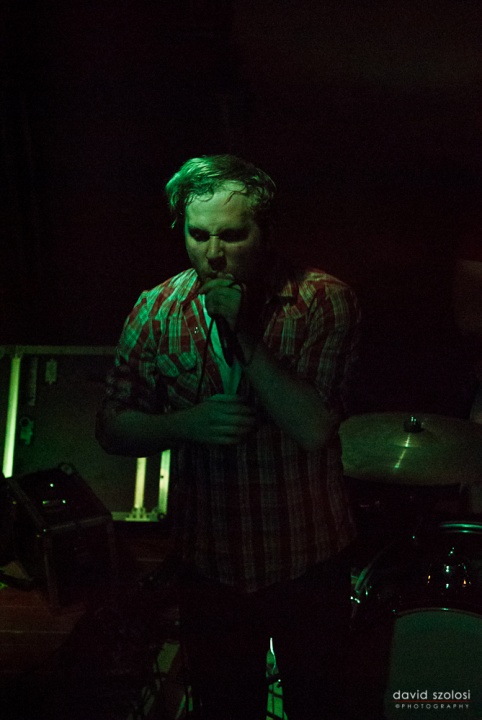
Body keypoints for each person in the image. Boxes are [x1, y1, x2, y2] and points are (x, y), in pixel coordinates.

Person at [96, 154, 361, 719]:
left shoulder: (322, 299)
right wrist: (181, 424)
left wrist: (243, 332)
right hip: (209, 565)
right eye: (198, 235)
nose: (213, 253)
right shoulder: (156, 308)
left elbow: (313, 428)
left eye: (233, 236)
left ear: (266, 231)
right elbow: (111, 427)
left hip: (306, 558)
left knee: (321, 704)